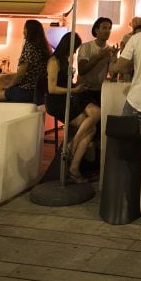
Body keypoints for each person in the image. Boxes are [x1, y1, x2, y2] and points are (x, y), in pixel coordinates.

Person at [44, 32, 101, 182]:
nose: (75, 51)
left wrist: (77, 86)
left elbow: (65, 84)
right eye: (74, 48)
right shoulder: (54, 61)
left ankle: (74, 167)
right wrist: (74, 90)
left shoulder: (65, 61)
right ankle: (73, 150)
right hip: (56, 102)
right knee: (92, 123)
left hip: (67, 98)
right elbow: (52, 89)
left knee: (92, 128)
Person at [0, 20, 50, 103]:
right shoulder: (43, 48)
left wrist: (9, 86)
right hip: (39, 91)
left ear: (30, 31)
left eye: (24, 29)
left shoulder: (30, 47)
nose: (23, 32)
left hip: (27, 90)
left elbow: (21, 73)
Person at [77, 17, 116, 105]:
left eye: (109, 28)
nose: (107, 31)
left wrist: (114, 59)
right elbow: (81, 70)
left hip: (101, 91)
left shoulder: (110, 50)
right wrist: (98, 57)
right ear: (96, 30)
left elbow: (113, 74)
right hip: (85, 91)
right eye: (104, 28)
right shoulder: (86, 47)